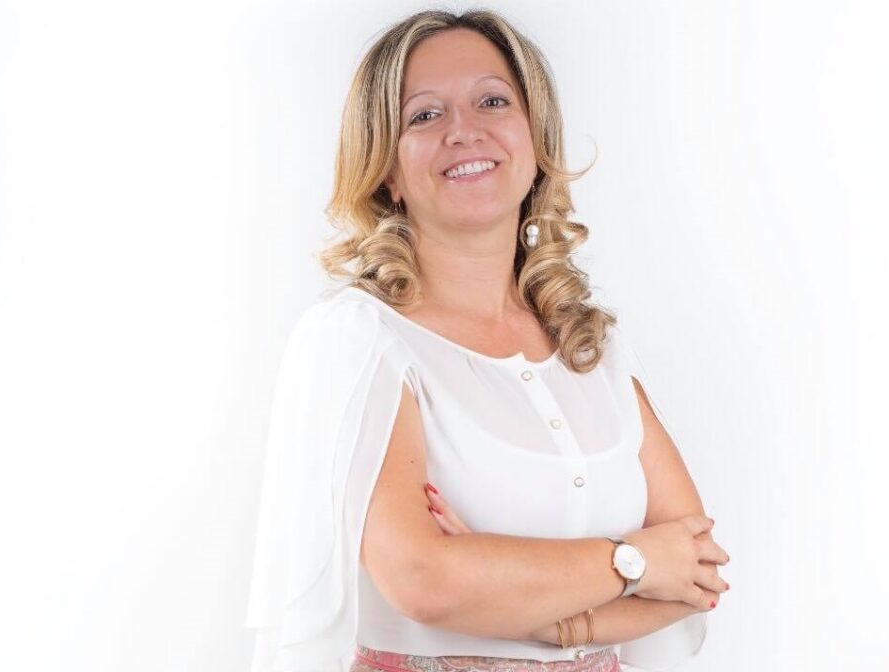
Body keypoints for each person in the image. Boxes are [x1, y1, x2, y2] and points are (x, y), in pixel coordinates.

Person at [243, 9, 731, 672]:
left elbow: (697, 569)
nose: (463, 130)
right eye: (424, 115)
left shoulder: (591, 349)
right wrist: (636, 561)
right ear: (386, 170)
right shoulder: (360, 340)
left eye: (493, 102)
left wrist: (551, 614)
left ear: (535, 140)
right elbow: (424, 580)